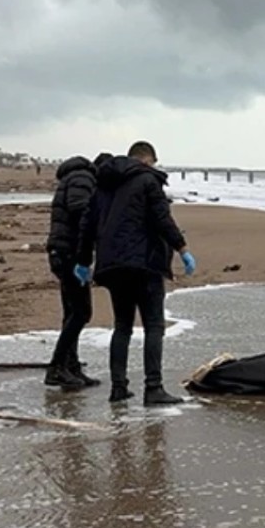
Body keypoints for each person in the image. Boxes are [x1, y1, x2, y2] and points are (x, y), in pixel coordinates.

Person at [76, 141, 196, 405]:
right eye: (153, 162)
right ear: (146, 159)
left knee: (122, 326)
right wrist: (182, 248)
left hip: (112, 266)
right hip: (145, 264)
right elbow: (162, 219)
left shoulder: (103, 184)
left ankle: (118, 388)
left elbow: (88, 226)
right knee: (154, 325)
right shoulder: (147, 180)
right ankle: (153, 388)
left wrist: (84, 261)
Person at [43, 153, 109, 389]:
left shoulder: (73, 177)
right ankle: (57, 368)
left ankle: (71, 367)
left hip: (61, 251)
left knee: (72, 312)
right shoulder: (83, 178)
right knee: (81, 313)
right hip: (69, 252)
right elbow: (80, 210)